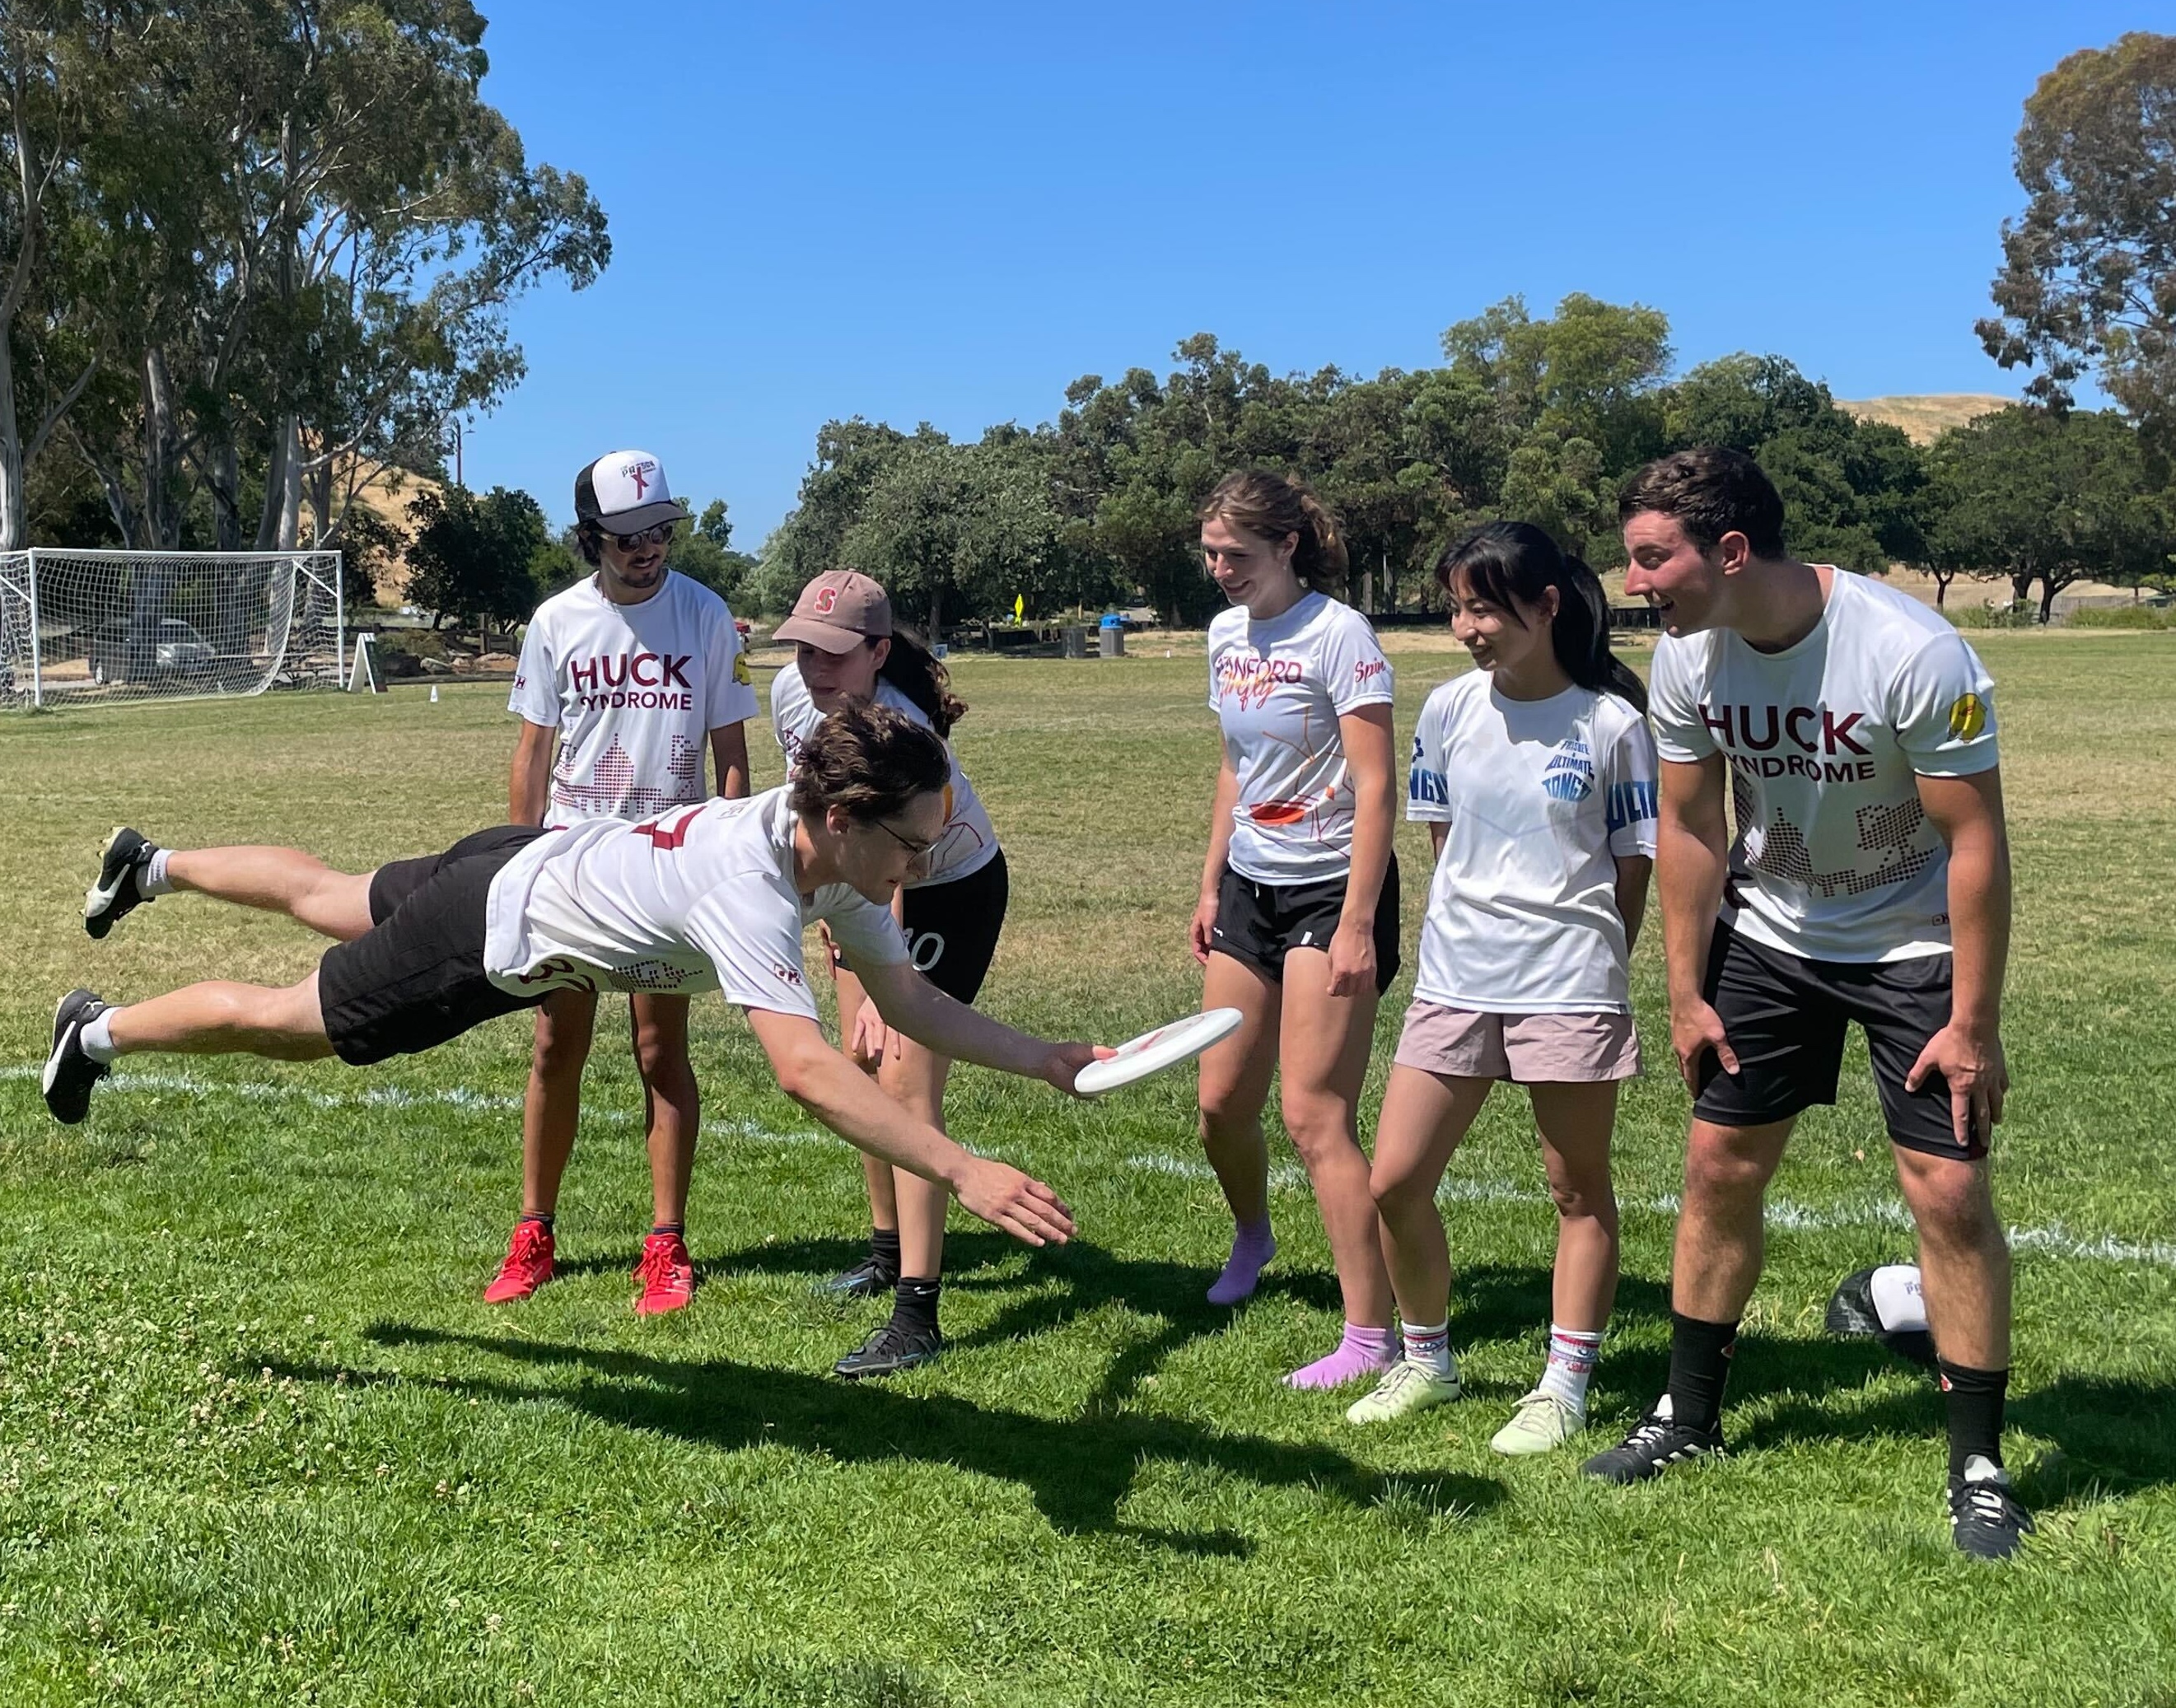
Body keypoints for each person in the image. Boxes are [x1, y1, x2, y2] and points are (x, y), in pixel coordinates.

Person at [50, 705, 1087, 1263]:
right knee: (292, 1021)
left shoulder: (826, 853)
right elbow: (807, 1073)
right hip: (492, 929)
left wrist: (1043, 1058)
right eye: (913, 843)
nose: (924, 864)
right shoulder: (754, 885)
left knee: (331, 890)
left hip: (526, 855)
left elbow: (908, 1001)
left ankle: (151, 863)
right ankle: (94, 1033)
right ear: (848, 818)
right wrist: (960, 1168)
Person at [1582, 447, 2028, 1561]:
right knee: (1717, 1166)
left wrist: (1971, 1025)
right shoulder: (1688, 654)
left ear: (1729, 551)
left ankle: (1976, 1460)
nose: (1634, 583)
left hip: (1910, 941)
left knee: (1947, 1189)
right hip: (1769, 936)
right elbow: (1686, 828)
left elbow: (1974, 841)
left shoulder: (1910, 651)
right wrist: (1684, 990)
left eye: (1652, 558)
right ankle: (1685, 1418)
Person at [1349, 523, 1656, 1454]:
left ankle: (1562, 1383)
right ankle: (1427, 1360)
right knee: (1394, 1179)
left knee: (1576, 1191)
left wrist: (1588, 962)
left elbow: (1629, 873)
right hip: (1457, 978)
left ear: (1547, 605)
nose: (1465, 626)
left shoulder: (1612, 726)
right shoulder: (1445, 709)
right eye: (1456, 606)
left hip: (1568, 982)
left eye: (1483, 605)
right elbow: (1446, 851)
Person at [493, 448, 758, 1314]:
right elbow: (532, 753)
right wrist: (517, 858)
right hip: (571, 866)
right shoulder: (555, 622)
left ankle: (666, 1243)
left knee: (658, 1052)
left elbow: (731, 754)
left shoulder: (706, 615)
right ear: (592, 538)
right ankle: (533, 1233)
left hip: (668, 866)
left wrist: (723, 862)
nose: (649, 548)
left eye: (659, 531)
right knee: (553, 1047)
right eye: (629, 536)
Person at [1190, 470, 1401, 1389]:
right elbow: (1234, 767)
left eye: (1235, 554)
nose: (1219, 570)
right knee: (1218, 1105)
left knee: (1314, 1115)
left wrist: (1356, 923)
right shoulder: (1222, 636)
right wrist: (1206, 886)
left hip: (1330, 892)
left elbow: (1375, 783)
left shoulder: (1338, 634)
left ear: (1286, 547)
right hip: (1247, 886)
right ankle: (1252, 1234)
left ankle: (1369, 1335)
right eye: (1209, 554)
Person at [768, 570, 1006, 1379]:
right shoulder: (788, 701)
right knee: (861, 1065)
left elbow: (898, 866)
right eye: (803, 647)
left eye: (833, 652)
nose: (813, 666)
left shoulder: (907, 734)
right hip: (859, 881)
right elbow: (827, 826)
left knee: (907, 1084)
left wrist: (879, 983)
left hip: (945, 889)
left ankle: (918, 1311)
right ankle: (884, 1249)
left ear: (875, 652)